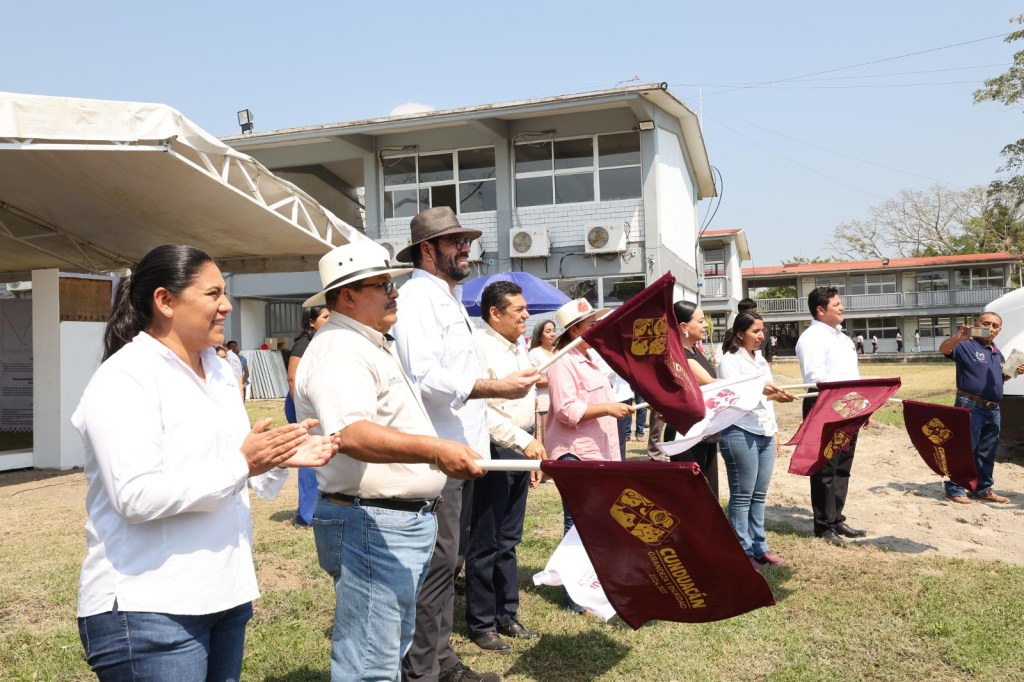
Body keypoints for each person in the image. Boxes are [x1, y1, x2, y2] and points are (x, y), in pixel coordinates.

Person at [72, 244, 334, 681]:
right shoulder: (125, 378)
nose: (226, 306)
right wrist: (242, 465)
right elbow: (135, 497)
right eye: (213, 294)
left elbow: (244, 478)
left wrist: (279, 456)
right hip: (150, 608)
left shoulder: (218, 372)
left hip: (224, 596)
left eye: (225, 293)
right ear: (165, 300)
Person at [294, 241, 487, 682]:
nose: (393, 292)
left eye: (392, 283)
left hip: (390, 520)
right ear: (347, 296)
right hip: (371, 521)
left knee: (385, 652)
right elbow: (352, 433)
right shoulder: (341, 349)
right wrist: (436, 451)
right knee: (370, 665)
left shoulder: (367, 342)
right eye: (382, 285)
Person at [391, 206, 537, 682]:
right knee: (437, 569)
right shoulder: (416, 298)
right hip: (440, 456)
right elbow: (425, 377)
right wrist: (497, 388)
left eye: (466, 240)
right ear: (426, 250)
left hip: (466, 454)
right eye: (455, 241)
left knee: (449, 562)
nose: (466, 248)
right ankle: (424, 670)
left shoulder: (447, 298)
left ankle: (440, 659)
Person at [465, 281, 544, 653]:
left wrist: (532, 443)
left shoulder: (519, 346)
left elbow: (527, 401)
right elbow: (481, 409)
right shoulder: (477, 348)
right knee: (486, 539)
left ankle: (507, 614)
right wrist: (522, 441)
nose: (527, 315)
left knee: (509, 539)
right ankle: (481, 623)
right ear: (494, 313)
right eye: (519, 310)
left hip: (521, 446)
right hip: (495, 448)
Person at [545, 297, 633, 611]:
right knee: (578, 524)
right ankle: (575, 596)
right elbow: (567, 410)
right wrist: (608, 407)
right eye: (590, 324)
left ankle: (591, 588)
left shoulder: (589, 358)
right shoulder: (562, 362)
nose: (596, 328)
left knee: (594, 523)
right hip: (576, 454)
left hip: (597, 452)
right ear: (573, 331)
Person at [716, 312, 795, 571]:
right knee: (741, 496)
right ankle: (742, 550)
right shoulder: (729, 361)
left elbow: (764, 400)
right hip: (740, 431)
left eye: (762, 331)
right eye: (755, 331)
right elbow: (734, 397)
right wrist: (764, 391)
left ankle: (760, 547)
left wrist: (774, 429)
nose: (761, 336)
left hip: (763, 432)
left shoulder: (760, 359)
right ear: (740, 333)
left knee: (759, 495)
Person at [795, 286, 867, 547]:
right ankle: (823, 525)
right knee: (825, 467)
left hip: (849, 405)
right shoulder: (812, 337)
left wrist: (861, 407)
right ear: (821, 310)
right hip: (825, 404)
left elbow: (852, 375)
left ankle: (836, 518)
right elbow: (816, 378)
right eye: (837, 304)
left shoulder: (843, 338)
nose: (842, 307)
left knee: (842, 466)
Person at [938, 312, 1024, 505]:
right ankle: (955, 489)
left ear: (999, 330)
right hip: (969, 405)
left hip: (993, 409)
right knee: (964, 449)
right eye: (987, 324)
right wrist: (957, 337)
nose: (991, 328)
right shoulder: (966, 345)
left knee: (988, 450)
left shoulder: (996, 352)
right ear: (977, 324)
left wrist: (1013, 372)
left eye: (995, 326)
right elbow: (944, 350)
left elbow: (999, 379)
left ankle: (982, 489)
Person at [662, 301, 721, 498]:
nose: (706, 325)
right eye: (701, 321)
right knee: (692, 496)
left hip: (705, 431)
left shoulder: (697, 351)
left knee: (709, 493)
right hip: (686, 434)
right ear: (684, 327)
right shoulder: (681, 358)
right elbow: (712, 384)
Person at [285, 305, 332, 527]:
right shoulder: (302, 345)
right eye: (325, 316)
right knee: (307, 456)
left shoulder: (324, 343)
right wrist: (301, 410)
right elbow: (293, 379)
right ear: (311, 322)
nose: (329, 319)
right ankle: (306, 514)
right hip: (301, 405)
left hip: (316, 404)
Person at [528, 319, 557, 445]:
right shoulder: (534, 353)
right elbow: (534, 380)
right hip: (544, 405)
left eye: (554, 331)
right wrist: (556, 379)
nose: (552, 334)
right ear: (540, 336)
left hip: (560, 404)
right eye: (548, 331)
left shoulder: (559, 350)